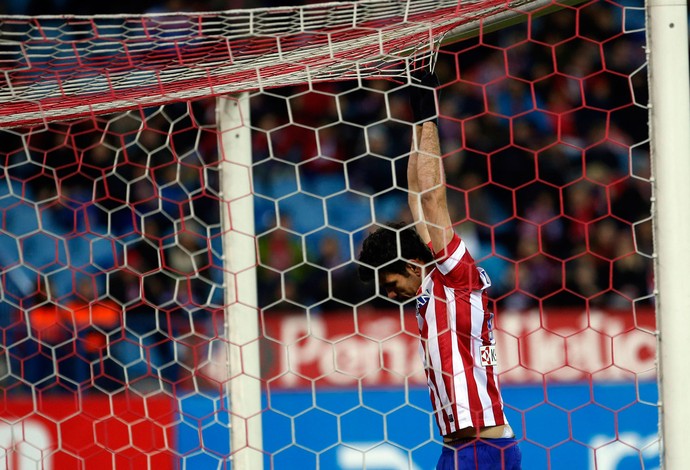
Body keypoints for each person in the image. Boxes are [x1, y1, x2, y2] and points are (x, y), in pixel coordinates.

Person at [358, 68, 522, 470]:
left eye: (391, 282)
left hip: (484, 450)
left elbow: (432, 198)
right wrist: (416, 112)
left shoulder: (454, 274)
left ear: (413, 266)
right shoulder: (429, 283)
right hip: (457, 449)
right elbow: (416, 192)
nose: (391, 294)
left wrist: (429, 108)